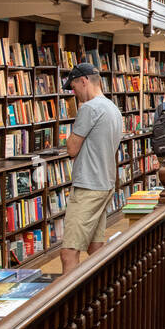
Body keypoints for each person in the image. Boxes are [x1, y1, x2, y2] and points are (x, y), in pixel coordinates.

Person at [61, 62, 124, 273]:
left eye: (74, 87)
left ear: (84, 81)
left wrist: (68, 139)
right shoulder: (113, 108)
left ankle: (68, 304)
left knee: (69, 252)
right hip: (105, 183)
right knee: (95, 247)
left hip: (88, 185)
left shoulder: (89, 108)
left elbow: (72, 148)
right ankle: (102, 294)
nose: (74, 92)